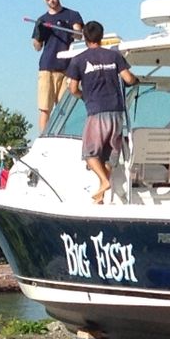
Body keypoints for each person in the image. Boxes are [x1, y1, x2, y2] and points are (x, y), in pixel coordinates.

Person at [66, 20, 139, 204]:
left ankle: (105, 182)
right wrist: (137, 80)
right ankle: (101, 195)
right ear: (101, 36)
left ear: (84, 37)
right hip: (116, 112)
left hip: (96, 112)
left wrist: (85, 96)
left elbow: (72, 89)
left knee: (89, 153)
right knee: (108, 156)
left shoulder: (78, 60)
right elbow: (129, 79)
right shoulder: (113, 56)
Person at [32, 0, 84, 132]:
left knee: (64, 109)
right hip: (47, 67)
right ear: (44, 0)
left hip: (67, 68)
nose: (51, 0)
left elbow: (79, 35)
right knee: (44, 108)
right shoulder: (42, 19)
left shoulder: (72, 15)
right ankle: (43, 139)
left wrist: (69, 28)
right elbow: (37, 47)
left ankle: (63, 136)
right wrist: (40, 34)